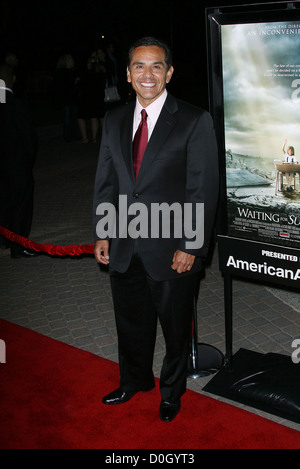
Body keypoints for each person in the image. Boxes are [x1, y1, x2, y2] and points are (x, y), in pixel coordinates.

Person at [93, 37, 219, 422]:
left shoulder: (194, 120)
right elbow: (106, 181)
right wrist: (103, 231)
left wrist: (192, 245)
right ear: (128, 74)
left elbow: (203, 188)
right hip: (125, 243)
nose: (148, 74)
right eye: (139, 67)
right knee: (130, 322)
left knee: (176, 327)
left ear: (169, 72)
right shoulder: (114, 119)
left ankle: (171, 391)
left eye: (156, 66)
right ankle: (133, 381)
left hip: (172, 248)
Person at [0, 63, 37, 258]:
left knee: (4, 202)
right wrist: (27, 160)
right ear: (12, 79)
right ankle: (19, 246)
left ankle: (4, 239)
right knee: (21, 204)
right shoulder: (15, 104)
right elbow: (28, 137)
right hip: (16, 165)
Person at [77, 49, 106, 143]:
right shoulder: (100, 72)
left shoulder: (88, 73)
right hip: (98, 96)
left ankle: (91, 138)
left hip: (90, 96)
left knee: (95, 116)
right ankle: (94, 138)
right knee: (97, 116)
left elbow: (82, 84)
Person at [53, 54, 79, 142]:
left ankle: (74, 135)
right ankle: (68, 137)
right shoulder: (61, 72)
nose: (73, 62)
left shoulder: (73, 71)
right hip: (65, 100)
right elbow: (63, 86)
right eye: (71, 60)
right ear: (66, 61)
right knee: (67, 119)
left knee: (74, 118)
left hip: (72, 99)